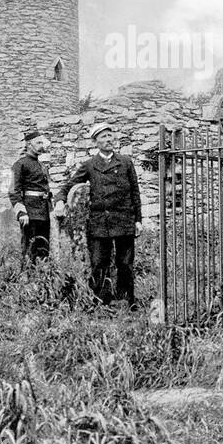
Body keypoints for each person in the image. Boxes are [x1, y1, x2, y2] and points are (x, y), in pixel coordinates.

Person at [53, 123, 142, 307]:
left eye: (110, 135)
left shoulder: (125, 162)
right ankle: (101, 302)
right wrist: (60, 201)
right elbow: (68, 186)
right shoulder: (90, 165)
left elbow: (135, 193)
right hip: (100, 222)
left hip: (124, 220)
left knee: (125, 263)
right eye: (103, 137)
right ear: (95, 142)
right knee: (99, 263)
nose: (108, 140)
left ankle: (126, 300)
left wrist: (138, 220)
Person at [9, 131, 53, 263]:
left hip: (44, 212)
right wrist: (21, 212)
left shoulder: (42, 165)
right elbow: (13, 190)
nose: (41, 145)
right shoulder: (20, 164)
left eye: (42, 142)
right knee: (30, 248)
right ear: (29, 144)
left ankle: (43, 278)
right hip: (30, 213)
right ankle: (28, 279)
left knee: (44, 248)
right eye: (38, 142)